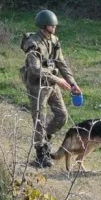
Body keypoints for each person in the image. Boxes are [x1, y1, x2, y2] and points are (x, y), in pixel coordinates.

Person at [20, 9, 83, 168]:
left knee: (62, 116)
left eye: (54, 25)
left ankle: (44, 140)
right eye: (51, 25)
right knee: (40, 119)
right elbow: (35, 69)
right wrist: (58, 80)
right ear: (43, 26)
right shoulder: (32, 43)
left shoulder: (54, 41)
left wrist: (72, 83)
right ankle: (41, 154)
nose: (54, 27)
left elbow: (61, 63)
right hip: (37, 86)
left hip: (52, 84)